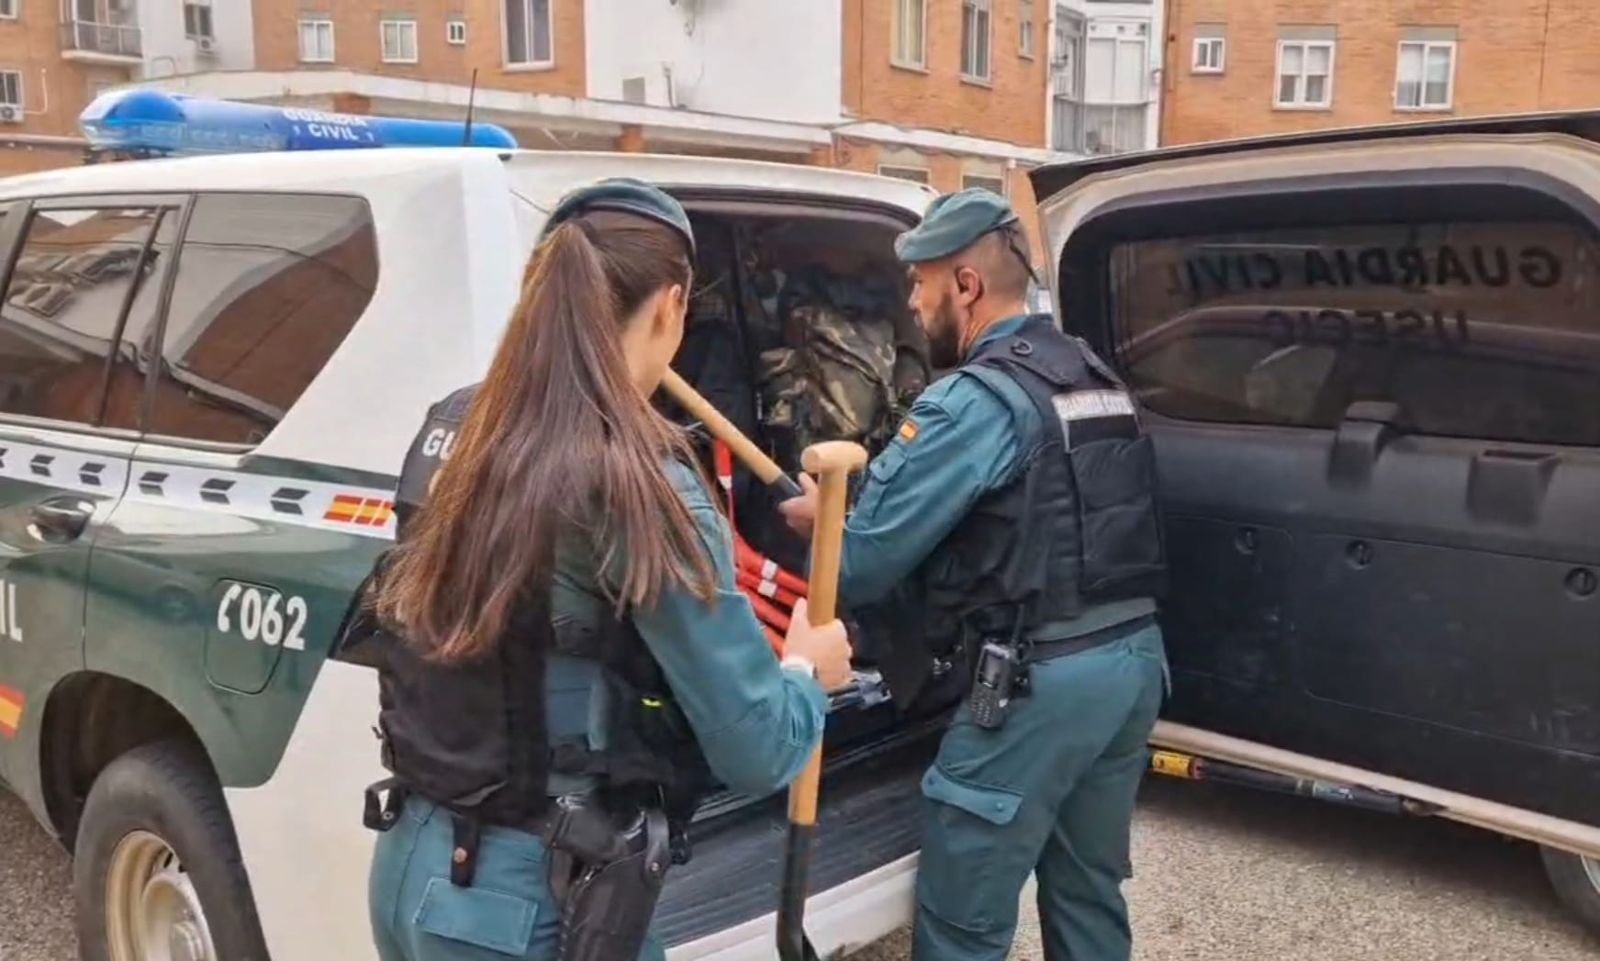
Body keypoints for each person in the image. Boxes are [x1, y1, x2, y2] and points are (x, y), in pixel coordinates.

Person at [354, 179, 853, 961]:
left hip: (408, 866)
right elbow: (756, 748)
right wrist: (804, 671)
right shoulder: (635, 477)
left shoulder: (455, 423)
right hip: (527, 903)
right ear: (670, 307)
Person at [781, 189, 1168, 961]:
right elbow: (1035, 506)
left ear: (966, 285)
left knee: (963, 916)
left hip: (1040, 688)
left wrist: (824, 518)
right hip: (1132, 665)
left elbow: (859, 563)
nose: (914, 306)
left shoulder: (970, 401)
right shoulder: (1089, 374)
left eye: (921, 285)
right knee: (1088, 890)